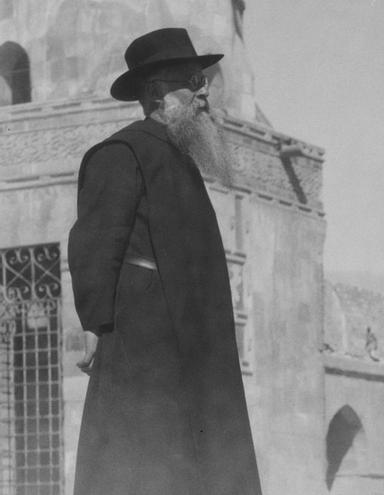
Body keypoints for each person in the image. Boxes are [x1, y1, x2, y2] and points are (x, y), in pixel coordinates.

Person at [68, 28, 261, 495]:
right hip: (147, 344)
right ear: (155, 92)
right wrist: (93, 325)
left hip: (195, 341)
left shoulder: (179, 158)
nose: (205, 91)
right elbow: (96, 244)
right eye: (192, 80)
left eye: (205, 79)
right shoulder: (121, 153)